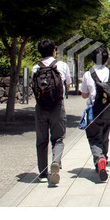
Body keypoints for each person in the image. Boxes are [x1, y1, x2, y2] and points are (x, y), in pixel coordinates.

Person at [32, 39, 71, 185]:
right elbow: (67, 85)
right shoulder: (61, 65)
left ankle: (42, 173)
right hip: (57, 105)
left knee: (41, 141)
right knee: (58, 138)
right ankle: (55, 162)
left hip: (41, 107)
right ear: (54, 50)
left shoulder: (35, 68)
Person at [80, 47, 110, 181]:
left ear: (93, 59)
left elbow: (84, 95)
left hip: (94, 111)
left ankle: (100, 158)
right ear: (107, 59)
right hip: (109, 111)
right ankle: (103, 160)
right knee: (105, 136)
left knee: (93, 137)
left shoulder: (88, 74)